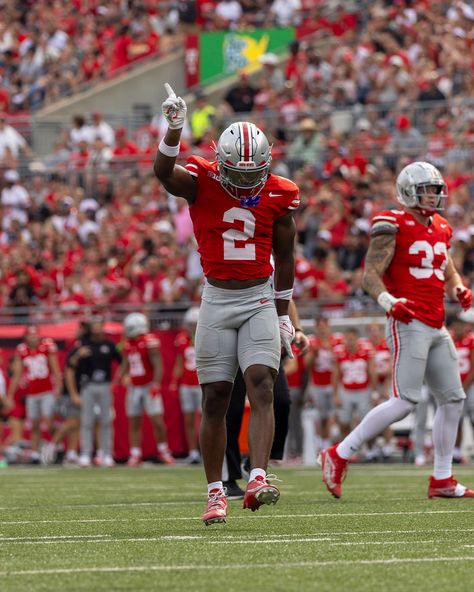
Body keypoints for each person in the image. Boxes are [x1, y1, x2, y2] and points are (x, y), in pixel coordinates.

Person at [154, 83, 300, 525]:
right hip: (217, 298)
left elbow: (287, 254)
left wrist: (283, 316)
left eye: (253, 170)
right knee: (216, 397)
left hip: (257, 296)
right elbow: (164, 172)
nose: (245, 179)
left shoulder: (280, 192)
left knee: (262, 384)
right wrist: (174, 129)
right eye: (238, 170)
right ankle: (216, 491)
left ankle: (258, 477)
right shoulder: (201, 178)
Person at [319, 161, 474, 499]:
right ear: (408, 191)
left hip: (435, 323)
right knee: (405, 400)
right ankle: (338, 454)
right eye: (427, 190)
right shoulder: (393, 224)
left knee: (453, 399)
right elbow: (370, 275)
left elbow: (445, 268)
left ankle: (442, 478)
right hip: (408, 320)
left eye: (435, 190)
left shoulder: (442, 227)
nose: (433, 196)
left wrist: (458, 289)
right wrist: (390, 302)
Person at [119, 312, 174, 466]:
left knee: (157, 420)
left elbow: (158, 364)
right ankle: (135, 454)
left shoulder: (149, 341)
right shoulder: (128, 343)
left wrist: (156, 384)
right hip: (134, 387)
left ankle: (164, 450)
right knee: (134, 421)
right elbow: (125, 364)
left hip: (148, 385)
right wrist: (118, 379)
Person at [67, 317, 122, 468]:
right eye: (94, 325)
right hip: (88, 385)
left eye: (99, 325)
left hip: (105, 385)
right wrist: (79, 355)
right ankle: (86, 453)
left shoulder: (110, 345)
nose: (97, 328)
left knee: (106, 420)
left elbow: (122, 360)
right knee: (87, 421)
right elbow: (70, 364)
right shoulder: (83, 344)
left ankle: (107, 454)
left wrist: (119, 378)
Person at [5, 327, 62, 464]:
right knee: (35, 424)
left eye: (35, 334)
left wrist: (58, 388)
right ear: (26, 337)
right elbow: (17, 375)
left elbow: (55, 369)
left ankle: (56, 446)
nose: (33, 337)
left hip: (47, 391)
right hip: (32, 393)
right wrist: (10, 395)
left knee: (49, 422)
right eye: (30, 335)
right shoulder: (22, 350)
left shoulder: (46, 347)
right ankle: (36, 452)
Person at [171, 307, 201, 464]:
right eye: (190, 324)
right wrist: (174, 382)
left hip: (202, 383)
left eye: (195, 324)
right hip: (186, 384)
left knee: (205, 420)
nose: (193, 327)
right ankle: (193, 452)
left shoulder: (206, 337)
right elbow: (178, 362)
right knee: (189, 420)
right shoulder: (181, 338)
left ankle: (206, 451)